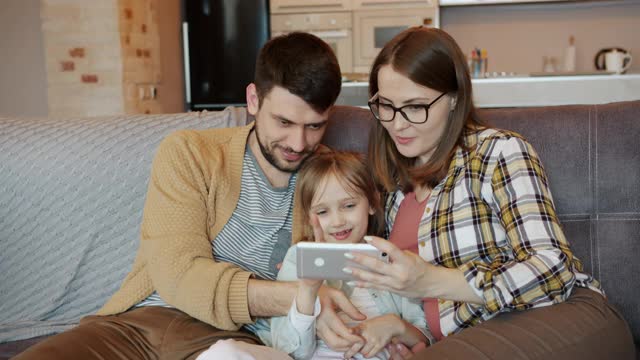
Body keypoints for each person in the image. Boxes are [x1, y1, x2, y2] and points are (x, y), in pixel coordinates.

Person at [15, 32, 364, 360]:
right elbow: (178, 274)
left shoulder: (331, 182)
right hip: (139, 324)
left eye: (314, 125)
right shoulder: (191, 153)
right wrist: (295, 296)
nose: (298, 143)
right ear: (254, 100)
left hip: (231, 339)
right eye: (284, 122)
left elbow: (354, 270)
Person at [315, 27, 636, 359]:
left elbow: (553, 270)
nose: (397, 124)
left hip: (564, 316)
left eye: (415, 107)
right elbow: (433, 314)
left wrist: (431, 280)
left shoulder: (499, 151)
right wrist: (403, 331)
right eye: (386, 105)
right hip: (475, 338)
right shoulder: (393, 187)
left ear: (454, 97)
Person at [196, 150, 432, 360]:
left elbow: (425, 335)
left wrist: (395, 326)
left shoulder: (392, 260)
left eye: (349, 206)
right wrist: (308, 291)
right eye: (323, 211)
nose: (338, 221)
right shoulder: (298, 258)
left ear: (372, 203)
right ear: (310, 216)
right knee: (222, 352)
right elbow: (289, 348)